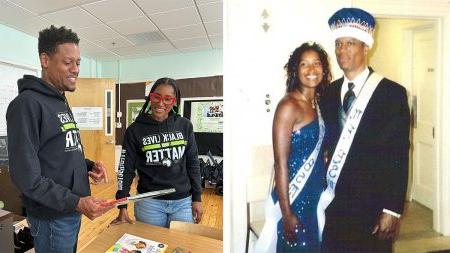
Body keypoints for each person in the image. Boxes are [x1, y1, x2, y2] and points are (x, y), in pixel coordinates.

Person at [6, 25, 114, 253]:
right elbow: (26, 177)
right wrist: (76, 202)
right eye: (68, 62)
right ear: (45, 60)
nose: (75, 69)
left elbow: (59, 151)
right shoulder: (27, 105)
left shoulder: (59, 100)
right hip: (51, 217)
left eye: (78, 62)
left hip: (69, 209)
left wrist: (89, 165)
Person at [317, 8, 410, 253]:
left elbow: (399, 155)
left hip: (373, 207)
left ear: (366, 47)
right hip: (334, 206)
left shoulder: (392, 94)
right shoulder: (326, 93)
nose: (342, 50)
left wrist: (391, 210)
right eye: (338, 43)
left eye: (350, 43)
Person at [254, 42, 332, 252]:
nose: (311, 69)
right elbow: (280, 165)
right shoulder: (288, 106)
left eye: (316, 63)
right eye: (304, 64)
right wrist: (287, 213)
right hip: (293, 197)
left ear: (324, 69)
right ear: (296, 71)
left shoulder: (319, 104)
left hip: (315, 195)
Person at [111, 77, 203, 228]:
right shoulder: (135, 130)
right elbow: (125, 170)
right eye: (156, 97)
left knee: (181, 248)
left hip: (183, 202)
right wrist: (122, 205)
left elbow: (193, 164)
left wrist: (197, 198)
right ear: (150, 97)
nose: (161, 103)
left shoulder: (184, 125)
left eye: (167, 99)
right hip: (149, 203)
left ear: (174, 101)